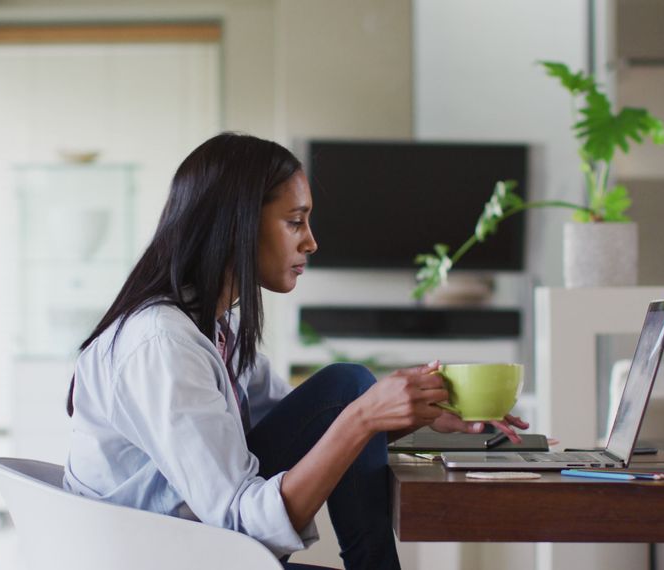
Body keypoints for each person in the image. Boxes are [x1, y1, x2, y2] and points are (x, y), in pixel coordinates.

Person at [64, 132, 527, 570]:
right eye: (294, 222)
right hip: (167, 557)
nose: (311, 241)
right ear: (236, 226)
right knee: (350, 387)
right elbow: (240, 524)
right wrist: (363, 415)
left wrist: (413, 414)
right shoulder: (162, 344)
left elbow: (318, 425)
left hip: (193, 548)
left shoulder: (214, 328)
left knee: (349, 387)